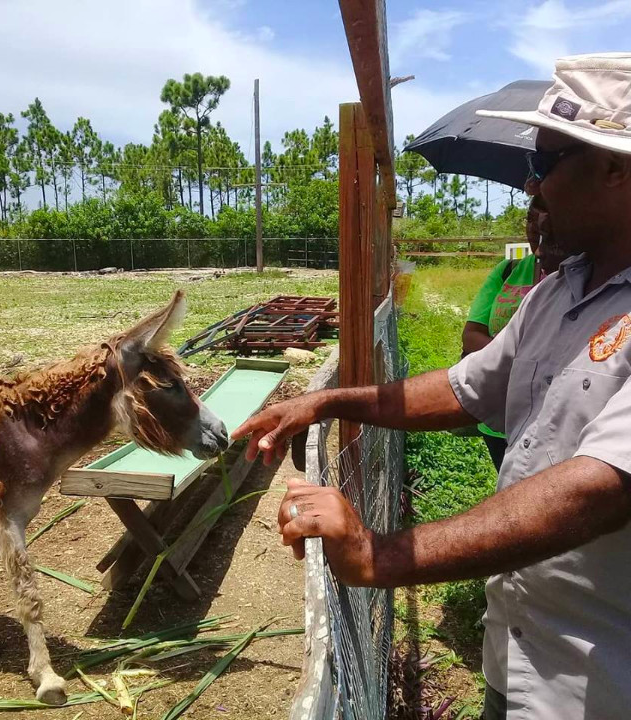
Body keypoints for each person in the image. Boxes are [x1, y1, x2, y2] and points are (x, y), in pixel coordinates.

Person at [232, 53, 631, 719]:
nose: (532, 190)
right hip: (520, 652)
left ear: (615, 168)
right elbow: (465, 390)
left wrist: (380, 554)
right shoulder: (557, 295)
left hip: (602, 680)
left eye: (546, 165)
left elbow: (599, 489)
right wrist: (327, 399)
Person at [462, 198, 568, 470]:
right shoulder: (508, 270)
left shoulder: (582, 277)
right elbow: (472, 335)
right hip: (499, 414)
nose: (535, 226)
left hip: (553, 420)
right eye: (529, 219)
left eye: (543, 217)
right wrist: (526, 365)